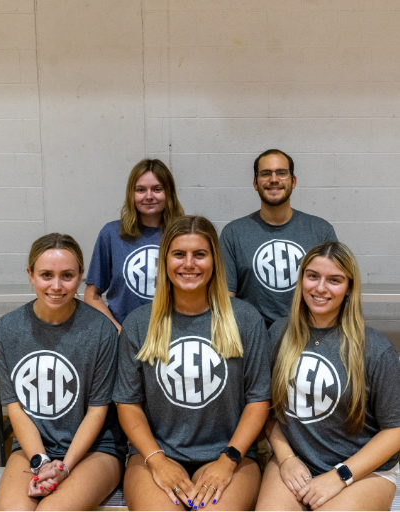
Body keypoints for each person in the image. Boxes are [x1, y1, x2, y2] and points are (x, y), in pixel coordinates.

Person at [114, 215, 271, 511]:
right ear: (165, 261)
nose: (189, 264)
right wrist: (158, 461)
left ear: (214, 261)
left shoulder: (246, 319)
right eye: (179, 254)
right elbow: (128, 404)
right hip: (154, 455)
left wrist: (227, 461)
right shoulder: (138, 323)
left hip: (231, 456)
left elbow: (259, 399)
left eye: (200, 254)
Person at [256, 242, 400, 511]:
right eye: (313, 276)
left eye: (334, 280)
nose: (320, 288)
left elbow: (395, 430)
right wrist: (286, 459)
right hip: (296, 460)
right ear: (301, 281)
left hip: (362, 471)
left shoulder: (375, 349)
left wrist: (339, 476)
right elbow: (267, 410)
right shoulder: (278, 334)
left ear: (349, 289)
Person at [0, 233, 125, 511]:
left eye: (67, 275)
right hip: (34, 447)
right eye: (46, 275)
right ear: (30, 275)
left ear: (80, 275)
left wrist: (63, 468)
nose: (56, 285)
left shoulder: (101, 331)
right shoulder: (7, 329)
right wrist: (40, 461)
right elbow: (15, 407)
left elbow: (97, 411)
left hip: (94, 450)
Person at [219, 149, 337, 328]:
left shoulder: (320, 231)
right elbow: (227, 300)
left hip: (306, 334)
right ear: (255, 183)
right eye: (265, 173)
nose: (274, 179)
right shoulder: (233, 233)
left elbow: (333, 291)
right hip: (252, 336)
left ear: (293, 181)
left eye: (281, 173)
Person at [85, 158, 185, 332]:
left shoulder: (185, 234)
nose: (149, 196)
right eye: (140, 190)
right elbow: (91, 294)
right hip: (125, 337)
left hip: (173, 335)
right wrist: (116, 330)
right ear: (131, 194)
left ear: (169, 192)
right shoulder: (111, 234)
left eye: (157, 189)